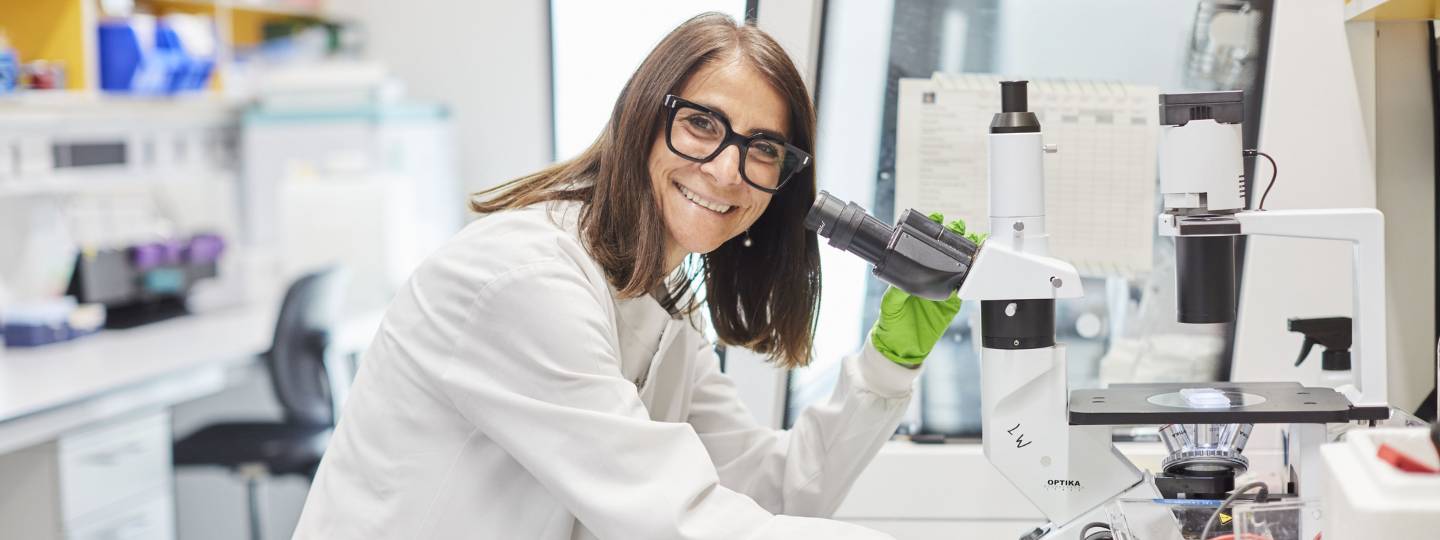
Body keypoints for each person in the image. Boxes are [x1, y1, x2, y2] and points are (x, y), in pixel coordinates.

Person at [294, 12, 972, 540]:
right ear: (644, 118)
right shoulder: (522, 281)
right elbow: (674, 521)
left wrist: (887, 367)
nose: (726, 170)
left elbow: (771, 495)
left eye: (763, 149)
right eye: (702, 124)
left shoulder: (661, 306)